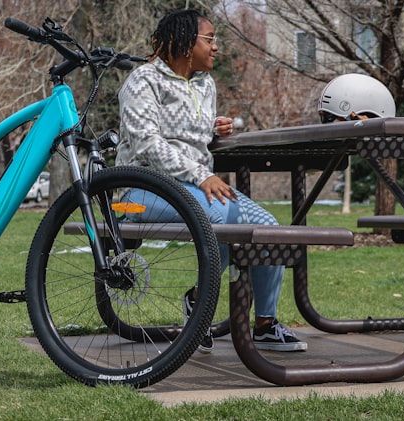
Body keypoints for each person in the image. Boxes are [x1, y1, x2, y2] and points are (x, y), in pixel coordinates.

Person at [117, 9, 306, 353]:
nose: (217, 47)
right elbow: (148, 142)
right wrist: (202, 174)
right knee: (224, 218)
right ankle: (202, 307)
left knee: (270, 228)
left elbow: (189, 137)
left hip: (193, 188)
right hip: (138, 191)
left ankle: (263, 323)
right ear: (186, 43)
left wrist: (214, 128)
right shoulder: (143, 81)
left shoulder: (205, 84)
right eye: (210, 39)